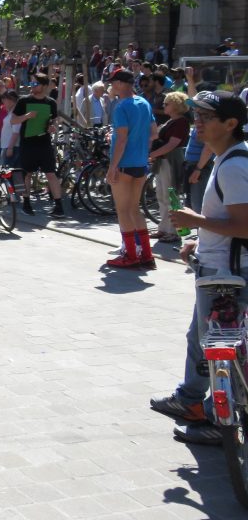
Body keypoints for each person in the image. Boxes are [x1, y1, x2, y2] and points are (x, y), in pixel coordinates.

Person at [156, 91, 248, 444]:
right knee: (209, 343)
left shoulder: (236, 165)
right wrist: (200, 236)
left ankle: (208, 413)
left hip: (225, 273)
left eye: (206, 116)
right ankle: (203, 408)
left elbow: (244, 224)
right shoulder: (228, 159)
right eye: (197, 115)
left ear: (230, 124)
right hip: (218, 264)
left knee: (215, 345)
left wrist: (197, 220)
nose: (198, 122)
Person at [105, 69, 156, 268]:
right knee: (135, 210)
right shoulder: (144, 103)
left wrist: (112, 167)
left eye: (113, 82)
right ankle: (147, 255)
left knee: (123, 211)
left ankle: (131, 256)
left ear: (120, 83)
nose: (111, 86)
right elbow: (154, 133)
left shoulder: (121, 106)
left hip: (124, 164)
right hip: (141, 163)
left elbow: (122, 139)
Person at [14, 73, 66, 218]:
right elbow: (13, 120)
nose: (32, 86)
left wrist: (53, 127)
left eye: (35, 84)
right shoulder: (24, 101)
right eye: (31, 84)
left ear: (44, 86)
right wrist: (27, 116)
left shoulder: (50, 102)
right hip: (28, 143)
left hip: (44, 143)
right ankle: (26, 203)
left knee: (51, 173)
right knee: (27, 173)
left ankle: (59, 206)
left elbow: (55, 120)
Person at [149, 92, 191, 243]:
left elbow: (172, 144)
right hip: (163, 161)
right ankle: (164, 228)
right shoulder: (172, 121)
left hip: (170, 161)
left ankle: (175, 231)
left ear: (176, 106)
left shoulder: (181, 122)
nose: (163, 106)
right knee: (161, 195)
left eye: (167, 103)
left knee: (171, 196)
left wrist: (153, 154)